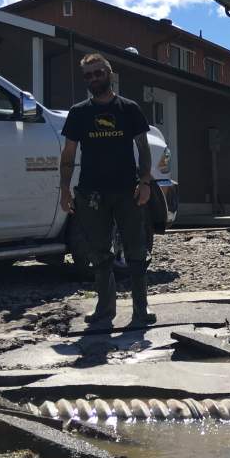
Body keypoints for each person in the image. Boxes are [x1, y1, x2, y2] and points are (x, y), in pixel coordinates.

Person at [59, 53, 156, 327]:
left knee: (136, 252)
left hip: (128, 191)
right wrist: (65, 190)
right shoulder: (79, 113)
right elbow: (68, 154)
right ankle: (105, 311)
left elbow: (143, 148)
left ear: (109, 74)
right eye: (88, 75)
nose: (93, 78)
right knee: (99, 254)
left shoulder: (129, 109)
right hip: (91, 194)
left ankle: (141, 310)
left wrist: (145, 182)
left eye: (98, 73)